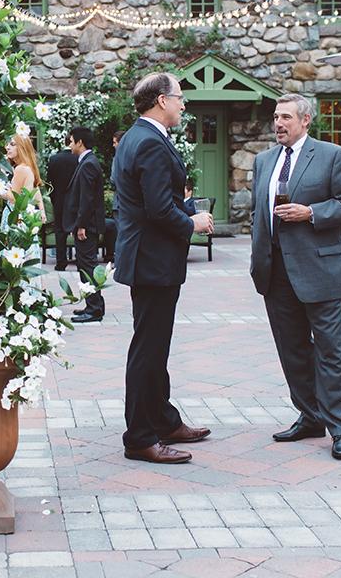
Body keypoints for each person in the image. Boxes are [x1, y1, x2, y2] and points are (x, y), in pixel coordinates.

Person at [251, 93, 341, 461]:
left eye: (286, 117)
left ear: (305, 121)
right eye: (275, 117)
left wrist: (311, 213)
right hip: (275, 272)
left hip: (320, 271)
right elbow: (257, 213)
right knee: (293, 350)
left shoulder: (332, 156)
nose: (278, 124)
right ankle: (311, 415)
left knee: (332, 352)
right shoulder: (264, 161)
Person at [111, 73, 214, 464]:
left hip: (148, 257)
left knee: (155, 345)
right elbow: (156, 209)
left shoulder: (137, 137)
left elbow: (147, 201)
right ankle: (140, 437)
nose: (183, 104)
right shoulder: (150, 142)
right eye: (179, 97)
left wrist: (183, 210)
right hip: (152, 260)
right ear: (161, 100)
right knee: (148, 350)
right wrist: (192, 222)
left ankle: (163, 420)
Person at [62, 126, 106, 324]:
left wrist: (81, 225)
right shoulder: (88, 162)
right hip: (87, 224)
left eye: (71, 141)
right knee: (85, 265)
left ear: (80, 142)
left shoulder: (88, 164)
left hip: (87, 226)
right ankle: (92, 305)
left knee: (88, 266)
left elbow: (87, 199)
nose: (70, 145)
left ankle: (95, 309)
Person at [45, 140, 77, 271]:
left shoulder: (54, 159)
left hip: (59, 200)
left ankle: (61, 262)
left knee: (59, 230)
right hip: (75, 200)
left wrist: (53, 198)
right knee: (77, 227)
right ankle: (80, 259)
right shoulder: (78, 158)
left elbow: (49, 183)